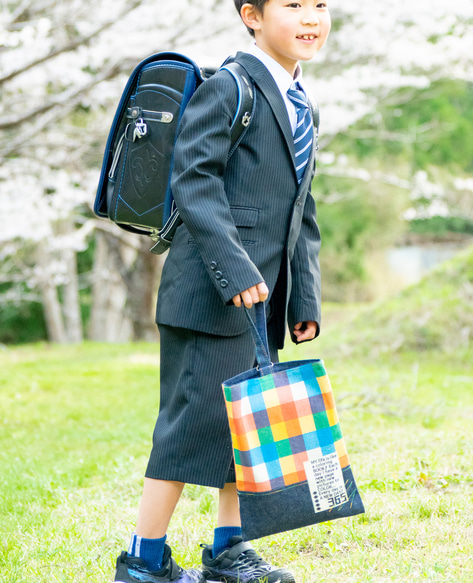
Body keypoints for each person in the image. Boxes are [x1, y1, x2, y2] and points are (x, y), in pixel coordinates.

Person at [113, 0, 331, 582]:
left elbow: (299, 212)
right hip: (209, 294)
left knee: (246, 426)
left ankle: (229, 551)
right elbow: (194, 182)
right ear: (251, 16)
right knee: (188, 430)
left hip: (261, 301)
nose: (311, 17)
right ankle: (143, 561)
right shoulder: (230, 89)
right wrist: (235, 271)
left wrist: (302, 298)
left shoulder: (302, 103)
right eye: (293, 5)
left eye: (320, 5)